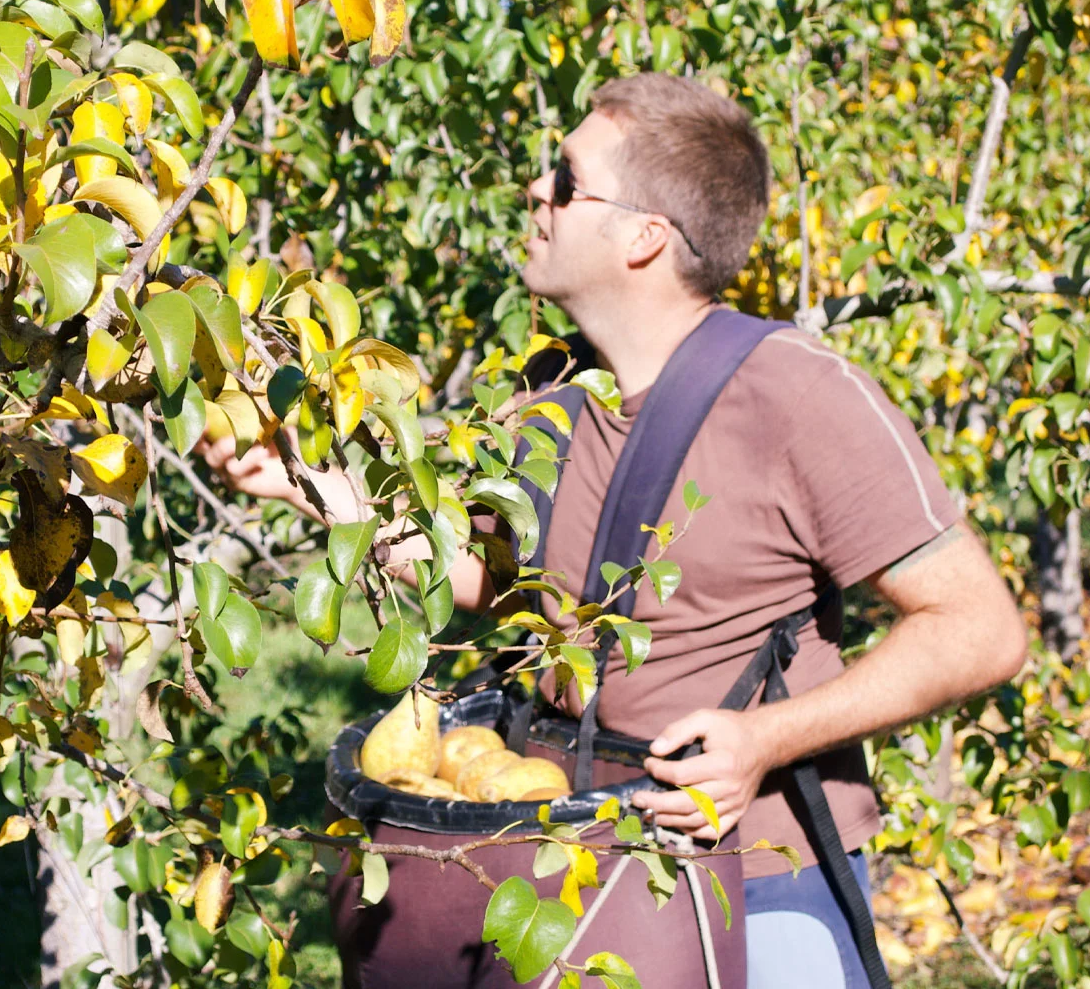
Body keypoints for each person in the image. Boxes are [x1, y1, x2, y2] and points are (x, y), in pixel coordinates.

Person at [202, 73, 1028, 988]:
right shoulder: (548, 395)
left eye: (565, 178)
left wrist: (768, 740)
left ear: (645, 237)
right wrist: (312, 489)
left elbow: (980, 628)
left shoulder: (797, 395)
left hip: (750, 880)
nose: (536, 192)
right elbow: (497, 580)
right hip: (566, 858)